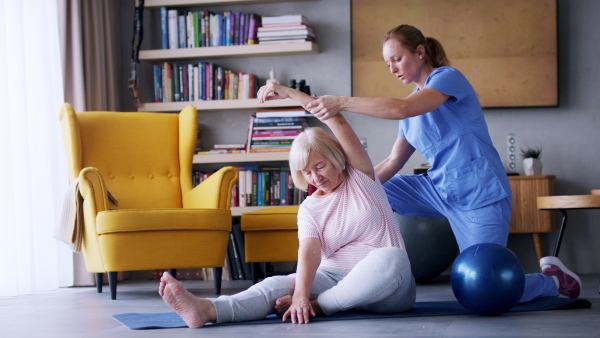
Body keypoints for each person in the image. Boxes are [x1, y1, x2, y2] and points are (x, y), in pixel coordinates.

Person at [261, 24, 581, 303]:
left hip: (480, 196)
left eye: (397, 59)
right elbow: (391, 162)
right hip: (437, 189)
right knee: (377, 189)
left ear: (420, 51)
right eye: (388, 63)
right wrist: (287, 93)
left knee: (482, 286)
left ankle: (552, 281)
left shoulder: (447, 79)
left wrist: (342, 101)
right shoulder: (411, 115)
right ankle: (351, 272)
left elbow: (403, 108)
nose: (393, 68)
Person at [158, 85, 416, 328]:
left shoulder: (362, 177)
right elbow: (310, 251)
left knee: (392, 258)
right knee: (278, 284)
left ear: (336, 158)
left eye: (319, 166)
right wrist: (300, 295)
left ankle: (322, 306)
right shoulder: (309, 209)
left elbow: (335, 119)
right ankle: (207, 310)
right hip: (332, 278)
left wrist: (288, 92)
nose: (315, 177)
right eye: (306, 172)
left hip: (386, 290)